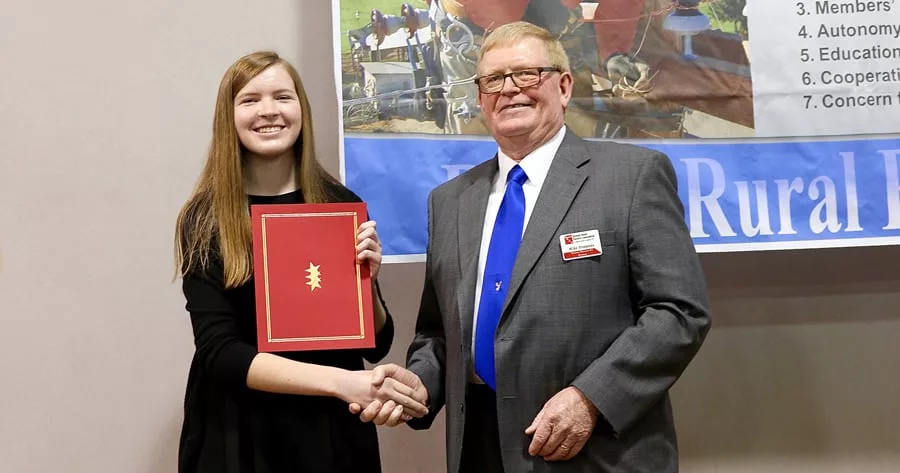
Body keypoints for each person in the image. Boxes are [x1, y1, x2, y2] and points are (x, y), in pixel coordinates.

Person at [353, 21, 711, 472]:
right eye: (493, 79)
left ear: (564, 86)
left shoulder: (632, 177)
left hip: (593, 450)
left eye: (526, 74)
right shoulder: (449, 202)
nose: (509, 89)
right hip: (478, 449)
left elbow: (679, 312)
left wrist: (590, 398)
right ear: (480, 97)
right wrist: (419, 382)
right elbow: (439, 332)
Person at [173, 51, 427, 473]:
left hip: (330, 434)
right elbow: (220, 352)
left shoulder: (339, 204)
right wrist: (344, 384)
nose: (268, 111)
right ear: (229, 116)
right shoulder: (205, 219)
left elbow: (375, 344)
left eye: (282, 97)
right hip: (241, 434)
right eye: (250, 99)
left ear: (301, 110)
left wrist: (367, 283)